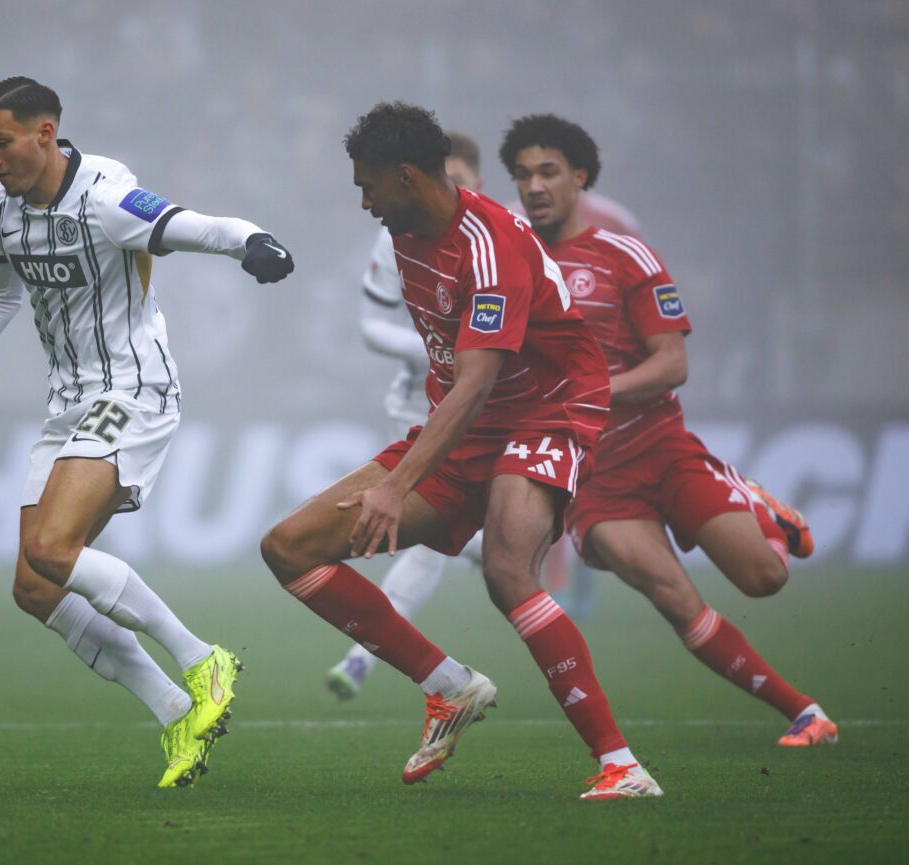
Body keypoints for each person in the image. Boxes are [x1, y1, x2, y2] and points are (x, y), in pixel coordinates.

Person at [0, 77, 295, 788]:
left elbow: (186, 223)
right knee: (34, 584)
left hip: (133, 390)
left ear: (45, 133)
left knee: (54, 547)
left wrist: (252, 242)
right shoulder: (0, 206)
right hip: (67, 403)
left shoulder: (105, 196)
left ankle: (203, 660)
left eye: (2, 140)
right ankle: (176, 709)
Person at [262, 101, 661, 800]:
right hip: (467, 426)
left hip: (548, 410)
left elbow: (478, 379)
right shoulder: (406, 237)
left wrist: (394, 486)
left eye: (368, 185)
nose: (362, 201)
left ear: (408, 176)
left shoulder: (490, 242)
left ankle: (622, 765)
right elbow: (456, 379)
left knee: (508, 569)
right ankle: (449, 686)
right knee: (289, 546)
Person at [499, 113, 835, 748]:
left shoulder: (623, 253)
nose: (534, 186)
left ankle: (761, 506)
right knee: (672, 595)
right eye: (522, 175)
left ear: (580, 178)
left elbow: (671, 364)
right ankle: (805, 713)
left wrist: (591, 392)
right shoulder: (512, 265)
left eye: (548, 172)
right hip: (594, 481)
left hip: (662, 450)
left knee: (765, 579)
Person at [324, 132, 485, 701]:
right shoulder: (395, 237)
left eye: (464, 181)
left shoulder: (499, 239)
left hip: (492, 409)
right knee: (426, 540)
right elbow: (372, 328)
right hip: (419, 406)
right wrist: (444, 345)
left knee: (469, 544)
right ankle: (363, 659)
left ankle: (486, 552)